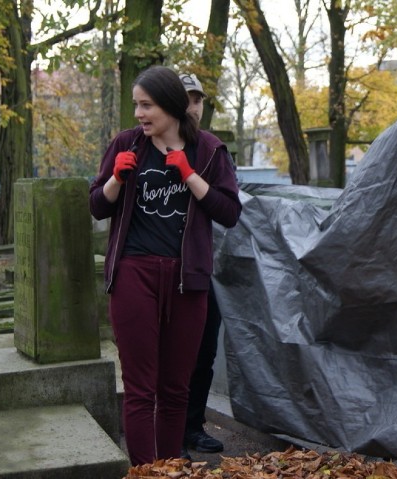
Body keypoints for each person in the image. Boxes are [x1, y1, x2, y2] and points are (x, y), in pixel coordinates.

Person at [89, 65, 242, 466]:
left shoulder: (209, 150)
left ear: (171, 106)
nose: (139, 114)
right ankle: (145, 473)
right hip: (134, 274)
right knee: (140, 388)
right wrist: (116, 180)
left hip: (187, 279)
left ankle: (171, 469)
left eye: (147, 106)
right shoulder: (127, 144)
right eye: (137, 105)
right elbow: (97, 205)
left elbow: (228, 212)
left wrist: (190, 175)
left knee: (176, 388)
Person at [178, 72, 225, 455]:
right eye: (185, 98)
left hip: (199, 267)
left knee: (204, 351)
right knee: (168, 358)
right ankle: (168, 432)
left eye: (198, 99)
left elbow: (229, 209)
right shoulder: (145, 143)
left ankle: (192, 427)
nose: (192, 106)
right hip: (155, 268)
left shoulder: (212, 150)